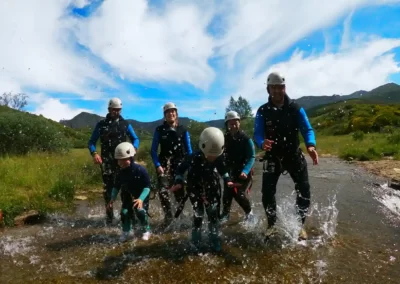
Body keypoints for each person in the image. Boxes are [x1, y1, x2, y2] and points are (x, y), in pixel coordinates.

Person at [254, 71, 318, 242]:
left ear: (284, 88)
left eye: (279, 87)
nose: (276, 91)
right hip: (272, 157)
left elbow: (307, 129)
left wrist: (310, 145)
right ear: (268, 90)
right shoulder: (262, 111)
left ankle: (300, 226)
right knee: (267, 193)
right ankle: (271, 225)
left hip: (294, 155)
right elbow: (257, 134)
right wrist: (261, 143)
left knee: (304, 190)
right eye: (273, 87)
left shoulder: (296, 108)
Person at [170, 127, 234, 252]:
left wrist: (228, 180)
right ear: (203, 147)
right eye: (210, 155)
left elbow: (223, 170)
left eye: (215, 155)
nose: (213, 158)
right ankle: (196, 242)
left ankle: (214, 240)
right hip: (195, 190)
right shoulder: (192, 157)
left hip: (213, 189)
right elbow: (180, 170)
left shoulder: (219, 156)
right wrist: (178, 181)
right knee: (198, 217)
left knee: (213, 216)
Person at [88, 97, 140, 224]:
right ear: (109, 109)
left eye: (118, 110)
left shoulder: (126, 124)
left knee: (126, 189)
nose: (116, 112)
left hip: (124, 163)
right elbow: (91, 142)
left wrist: (134, 148)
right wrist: (94, 153)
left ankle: (129, 217)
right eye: (114, 109)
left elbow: (136, 139)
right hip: (107, 162)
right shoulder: (101, 125)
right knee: (108, 191)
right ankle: (110, 217)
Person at [151, 102, 192, 227]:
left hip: (179, 165)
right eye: (168, 112)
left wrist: (188, 166)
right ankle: (168, 216)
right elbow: (153, 150)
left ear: (176, 114)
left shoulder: (183, 130)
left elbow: (189, 151)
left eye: (173, 111)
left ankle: (179, 215)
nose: (171, 113)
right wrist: (158, 165)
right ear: (165, 115)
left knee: (179, 193)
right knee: (163, 191)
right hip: (164, 164)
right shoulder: (159, 130)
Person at [107, 142, 151, 242]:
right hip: (127, 195)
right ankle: (126, 231)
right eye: (119, 160)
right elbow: (116, 187)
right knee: (124, 212)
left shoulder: (141, 170)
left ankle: (146, 230)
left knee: (140, 211)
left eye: (123, 160)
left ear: (131, 158)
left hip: (140, 196)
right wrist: (112, 199)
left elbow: (147, 187)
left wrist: (141, 199)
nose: (120, 163)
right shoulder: (120, 173)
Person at [220, 110, 256, 224]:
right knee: (226, 195)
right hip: (231, 171)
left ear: (239, 123)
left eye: (235, 122)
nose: (233, 125)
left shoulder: (246, 139)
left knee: (238, 194)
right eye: (230, 123)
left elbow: (252, 156)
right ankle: (225, 215)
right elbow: (220, 157)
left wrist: (245, 171)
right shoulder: (224, 139)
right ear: (227, 125)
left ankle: (249, 213)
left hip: (244, 171)